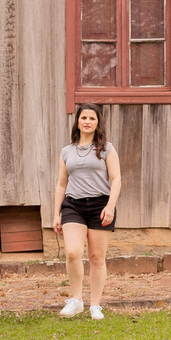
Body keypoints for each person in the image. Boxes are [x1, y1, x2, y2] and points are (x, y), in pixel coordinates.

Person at [52, 102, 122, 320]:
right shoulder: (66, 152)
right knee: (73, 252)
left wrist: (110, 206)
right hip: (73, 205)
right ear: (78, 122)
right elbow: (61, 184)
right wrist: (56, 214)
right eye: (84, 118)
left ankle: (95, 305)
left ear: (97, 123)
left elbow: (116, 179)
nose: (88, 122)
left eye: (92, 118)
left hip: (100, 206)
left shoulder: (107, 149)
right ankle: (76, 300)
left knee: (96, 257)